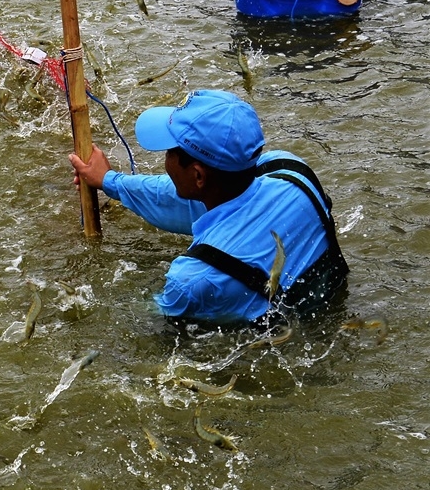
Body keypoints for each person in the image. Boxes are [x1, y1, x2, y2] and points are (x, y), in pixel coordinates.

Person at [68, 89, 348, 325]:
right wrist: (108, 181)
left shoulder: (193, 280)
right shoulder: (289, 170)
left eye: (169, 153)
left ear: (199, 176)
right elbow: (174, 198)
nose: (165, 162)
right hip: (336, 307)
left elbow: (147, 316)